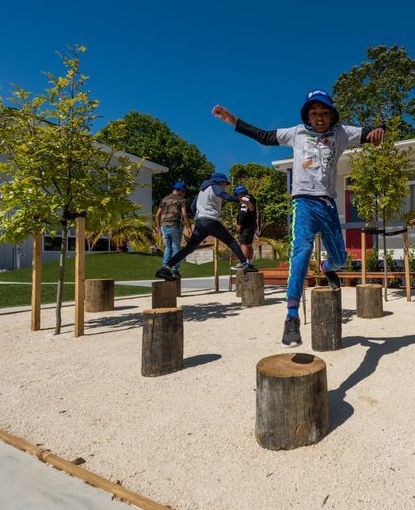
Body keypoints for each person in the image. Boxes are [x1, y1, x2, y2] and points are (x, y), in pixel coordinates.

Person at [212, 89, 384, 347]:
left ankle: (327, 268)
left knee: (340, 258)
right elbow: (265, 136)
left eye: (324, 113)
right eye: (314, 113)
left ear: (332, 115)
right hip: (303, 202)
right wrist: (234, 121)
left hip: (327, 205)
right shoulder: (296, 133)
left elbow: (370, 131)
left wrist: (379, 131)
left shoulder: (341, 133)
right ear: (307, 115)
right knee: (300, 253)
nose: (319, 118)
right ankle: (291, 317)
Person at [154, 172, 256, 280]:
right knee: (231, 241)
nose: (225, 187)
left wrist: (199, 216)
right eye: (225, 184)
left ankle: (166, 268)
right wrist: (242, 201)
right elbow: (224, 196)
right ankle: (245, 264)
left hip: (200, 222)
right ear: (220, 182)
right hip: (211, 221)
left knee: (189, 248)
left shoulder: (202, 190)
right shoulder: (215, 186)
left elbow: (193, 206)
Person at [155, 181, 192, 278]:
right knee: (176, 248)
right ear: (180, 191)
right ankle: (175, 270)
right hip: (175, 226)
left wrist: (159, 228)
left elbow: (157, 215)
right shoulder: (181, 200)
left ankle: (165, 268)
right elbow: (184, 214)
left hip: (164, 226)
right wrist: (189, 227)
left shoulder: (164, 199)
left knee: (168, 247)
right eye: (183, 192)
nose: (184, 194)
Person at [233, 184, 257, 267]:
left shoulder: (244, 199)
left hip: (246, 225)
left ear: (238, 193)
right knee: (249, 244)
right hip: (252, 224)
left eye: (237, 194)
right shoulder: (251, 198)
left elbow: (243, 212)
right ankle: (249, 263)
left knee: (243, 243)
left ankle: (243, 263)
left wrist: (239, 224)